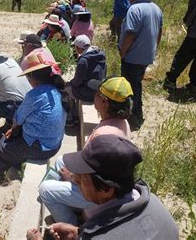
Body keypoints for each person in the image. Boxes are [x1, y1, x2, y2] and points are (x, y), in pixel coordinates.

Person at [29, 134, 179, 240]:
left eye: (81, 179)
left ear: (106, 190)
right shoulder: (154, 203)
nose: (74, 179)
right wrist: (79, 232)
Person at [40, 76, 133, 225]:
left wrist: (73, 178)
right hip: (105, 182)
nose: (93, 95)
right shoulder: (122, 123)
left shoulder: (103, 135)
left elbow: (97, 178)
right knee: (60, 161)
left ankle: (73, 226)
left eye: (97, 93)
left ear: (104, 101)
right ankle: (70, 204)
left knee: (45, 189)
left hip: (98, 194)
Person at [0, 51, 68, 178]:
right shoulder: (57, 90)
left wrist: (13, 130)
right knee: (12, 137)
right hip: (55, 144)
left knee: (6, 143)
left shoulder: (35, 95)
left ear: (32, 77)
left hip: (41, 148)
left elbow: (18, 119)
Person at [119, 0, 162, 129]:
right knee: (136, 84)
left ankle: (132, 118)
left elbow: (130, 33)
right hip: (146, 55)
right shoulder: (156, 8)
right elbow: (159, 32)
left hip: (133, 56)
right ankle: (138, 112)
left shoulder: (134, 9)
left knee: (130, 87)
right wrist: (154, 49)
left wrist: (123, 52)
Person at [65, 35, 106, 103]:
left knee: (67, 89)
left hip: (89, 93)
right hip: (99, 90)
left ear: (78, 48)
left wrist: (69, 83)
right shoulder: (101, 55)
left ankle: (71, 111)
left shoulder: (83, 61)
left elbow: (77, 81)